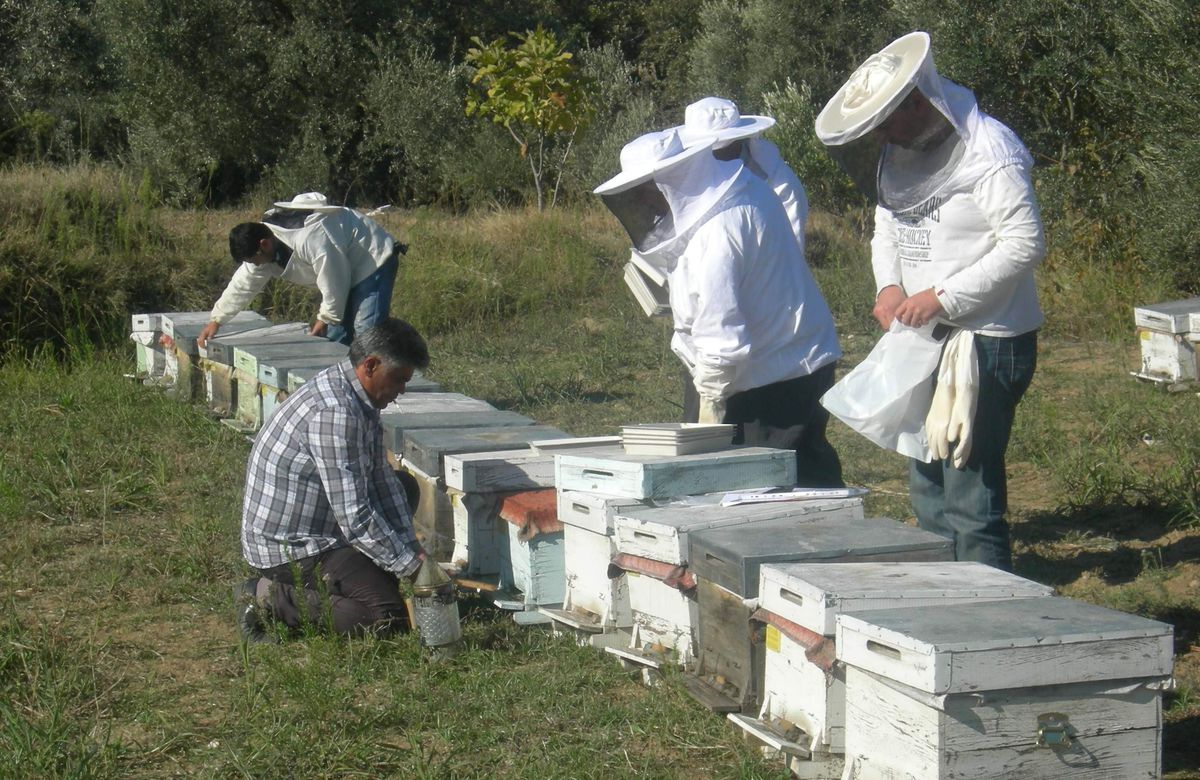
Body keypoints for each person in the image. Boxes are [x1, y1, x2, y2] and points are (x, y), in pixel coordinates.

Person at [815, 31, 1045, 570]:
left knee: (969, 491)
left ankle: (986, 617)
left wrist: (942, 297)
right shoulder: (903, 148)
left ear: (916, 103)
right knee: (925, 479)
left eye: (886, 124)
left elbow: (1025, 243)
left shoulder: (992, 150)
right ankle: (941, 602)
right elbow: (887, 223)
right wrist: (888, 287)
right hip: (923, 336)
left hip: (986, 341)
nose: (880, 139)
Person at [596, 129, 844, 487]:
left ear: (670, 182)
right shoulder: (740, 189)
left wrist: (709, 408)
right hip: (784, 361)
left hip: (774, 377)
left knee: (771, 489)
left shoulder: (718, 231)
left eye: (646, 191)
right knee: (785, 479)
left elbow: (724, 346)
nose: (645, 203)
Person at [234, 317, 429, 642]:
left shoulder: (355, 394)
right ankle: (265, 595)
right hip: (292, 548)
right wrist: (410, 567)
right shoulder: (334, 414)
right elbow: (355, 517)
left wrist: (412, 551)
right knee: (385, 618)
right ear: (370, 365)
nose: (400, 392)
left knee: (402, 486)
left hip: (323, 523)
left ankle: (366, 577)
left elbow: (381, 481)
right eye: (398, 380)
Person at [198, 192, 404, 348]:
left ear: (265, 244)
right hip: (342, 266)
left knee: (367, 332)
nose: (257, 265)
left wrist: (325, 318)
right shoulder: (264, 247)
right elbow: (243, 284)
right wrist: (217, 320)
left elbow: (334, 280)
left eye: (255, 260)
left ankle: (382, 387)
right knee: (334, 338)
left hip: (373, 259)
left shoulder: (311, 238)